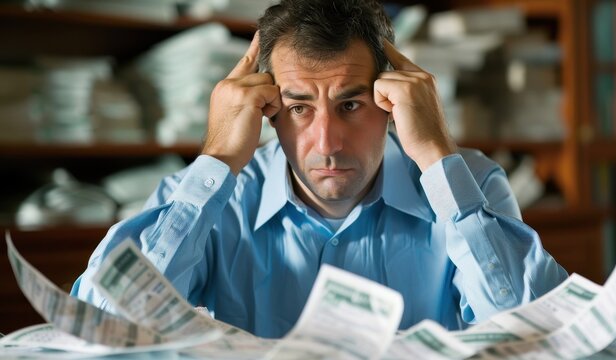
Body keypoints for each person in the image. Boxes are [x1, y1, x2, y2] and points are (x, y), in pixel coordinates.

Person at [72, 0, 568, 339]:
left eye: (350, 105)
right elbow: (99, 326)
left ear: (392, 98)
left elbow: (545, 335)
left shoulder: (469, 186)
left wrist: (437, 153)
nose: (327, 143)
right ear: (266, 108)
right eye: (299, 108)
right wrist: (218, 159)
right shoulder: (205, 198)